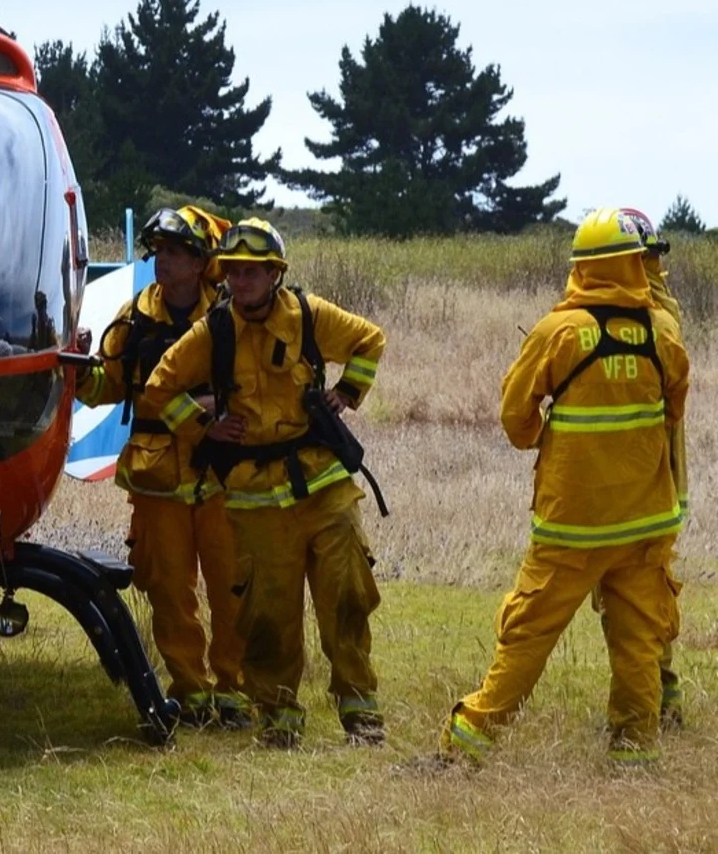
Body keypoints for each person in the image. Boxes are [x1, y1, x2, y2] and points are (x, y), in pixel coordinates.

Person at [438, 208, 689, 767]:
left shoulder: (558, 332)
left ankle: (466, 744)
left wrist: (540, 437)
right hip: (645, 526)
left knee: (526, 638)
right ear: (633, 264)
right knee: (638, 646)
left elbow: (515, 416)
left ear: (582, 267)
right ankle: (633, 753)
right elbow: (674, 412)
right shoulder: (663, 332)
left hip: (571, 528)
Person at [142, 218, 387, 748]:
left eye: (254, 272)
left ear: (275, 274)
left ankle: (361, 715)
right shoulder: (214, 331)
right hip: (254, 497)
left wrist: (347, 393)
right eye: (234, 272)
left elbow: (370, 340)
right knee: (268, 615)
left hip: (324, 487)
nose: (243, 281)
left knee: (345, 598)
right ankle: (279, 722)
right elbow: (159, 388)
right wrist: (206, 422)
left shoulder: (309, 316)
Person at [78, 206, 245, 729]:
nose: (162, 263)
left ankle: (234, 692)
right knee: (170, 590)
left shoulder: (230, 317)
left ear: (199, 263)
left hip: (221, 478)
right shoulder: (135, 320)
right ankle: (191, 693)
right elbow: (109, 387)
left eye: (175, 253)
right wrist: (82, 374)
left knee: (233, 587)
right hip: (157, 480)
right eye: (158, 253)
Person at [610, 208, 689, 727]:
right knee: (635, 599)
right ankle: (654, 695)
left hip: (647, 485)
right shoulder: (653, 312)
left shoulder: (657, 318)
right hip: (642, 483)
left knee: (643, 600)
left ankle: (659, 698)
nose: (653, 267)